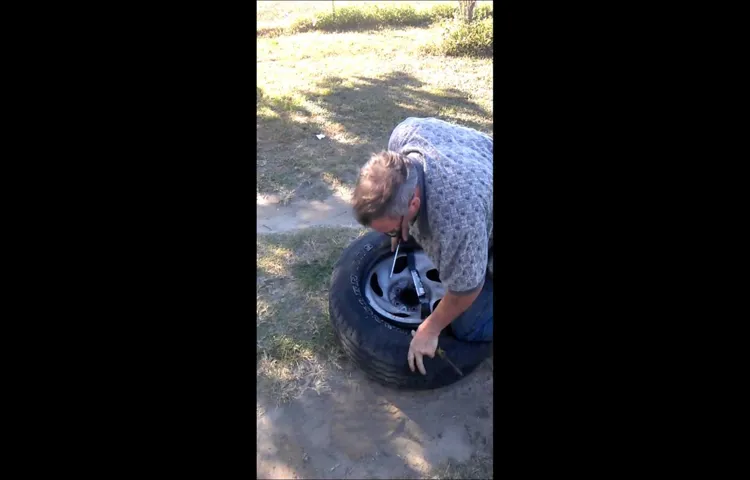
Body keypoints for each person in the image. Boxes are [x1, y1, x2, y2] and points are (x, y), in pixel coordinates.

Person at [351, 117, 493, 376]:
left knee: (467, 324)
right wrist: (396, 229)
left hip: (475, 200)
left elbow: (466, 290)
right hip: (481, 173)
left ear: (413, 204)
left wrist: (430, 328)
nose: (390, 236)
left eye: (391, 229)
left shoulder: (456, 217)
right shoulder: (403, 135)